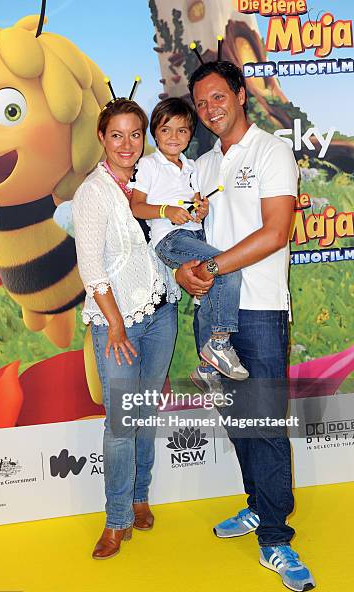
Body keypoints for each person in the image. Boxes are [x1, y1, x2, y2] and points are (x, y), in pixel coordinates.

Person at [176, 60, 316, 592]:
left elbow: (276, 231)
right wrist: (186, 270)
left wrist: (210, 267)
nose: (210, 109)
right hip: (215, 314)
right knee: (238, 421)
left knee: (265, 423)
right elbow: (196, 237)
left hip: (259, 310)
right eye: (201, 102)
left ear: (239, 95)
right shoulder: (205, 165)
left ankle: (277, 538)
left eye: (218, 97)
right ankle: (259, 507)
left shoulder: (272, 151)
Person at [72, 98, 180, 560]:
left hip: (161, 315)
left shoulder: (149, 178)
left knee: (145, 414)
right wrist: (114, 325)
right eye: (117, 135)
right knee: (120, 426)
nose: (127, 144)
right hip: (118, 325)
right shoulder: (93, 193)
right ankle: (115, 520)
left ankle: (140, 497)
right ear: (102, 138)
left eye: (135, 134)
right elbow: (91, 269)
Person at [131, 97, 248, 384]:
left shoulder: (191, 166)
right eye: (166, 130)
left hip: (194, 233)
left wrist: (200, 211)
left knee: (211, 288)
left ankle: (207, 370)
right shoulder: (148, 165)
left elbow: (192, 206)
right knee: (226, 267)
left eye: (182, 130)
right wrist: (166, 211)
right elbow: (136, 206)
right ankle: (219, 344)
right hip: (170, 240)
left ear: (190, 134)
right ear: (154, 132)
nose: (174, 137)